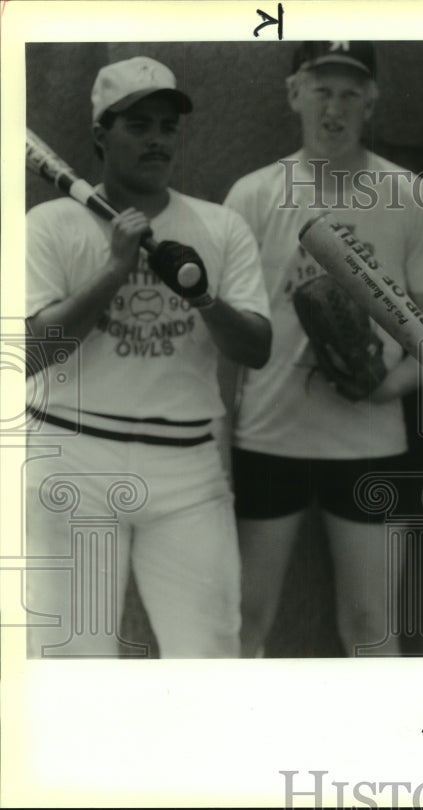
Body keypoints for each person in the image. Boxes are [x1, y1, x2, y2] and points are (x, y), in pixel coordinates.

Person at [24, 56, 272, 658]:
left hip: (185, 465)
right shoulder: (49, 225)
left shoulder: (220, 226)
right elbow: (31, 354)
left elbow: (256, 349)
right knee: (70, 662)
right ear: (100, 136)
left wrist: (201, 293)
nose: (157, 139)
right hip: (71, 458)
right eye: (139, 125)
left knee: (209, 654)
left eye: (166, 125)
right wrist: (116, 269)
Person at [224, 41, 423, 657]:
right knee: (244, 614)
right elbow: (226, 335)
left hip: (369, 440)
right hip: (268, 434)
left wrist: (389, 385)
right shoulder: (251, 195)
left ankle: (381, 749)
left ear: (372, 102)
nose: (335, 106)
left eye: (350, 92)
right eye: (321, 89)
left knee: (369, 621)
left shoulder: (411, 196)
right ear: (294, 93)